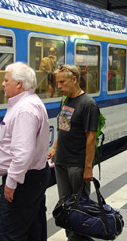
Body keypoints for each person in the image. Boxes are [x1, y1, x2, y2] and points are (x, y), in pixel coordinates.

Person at [0, 62, 50, 241]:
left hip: (23, 181)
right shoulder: (26, 104)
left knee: (11, 234)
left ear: (19, 84)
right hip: (29, 178)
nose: (2, 84)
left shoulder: (25, 109)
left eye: (6, 80)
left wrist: (11, 183)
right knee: (32, 230)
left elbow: (22, 153)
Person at [47, 64, 99, 241]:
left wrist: (88, 168)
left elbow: (91, 138)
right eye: (57, 83)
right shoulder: (66, 101)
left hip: (77, 164)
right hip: (61, 162)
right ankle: (72, 238)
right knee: (66, 205)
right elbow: (63, 128)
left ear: (74, 79)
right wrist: (55, 148)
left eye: (62, 82)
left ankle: (82, 238)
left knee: (80, 207)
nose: (59, 86)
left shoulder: (88, 104)